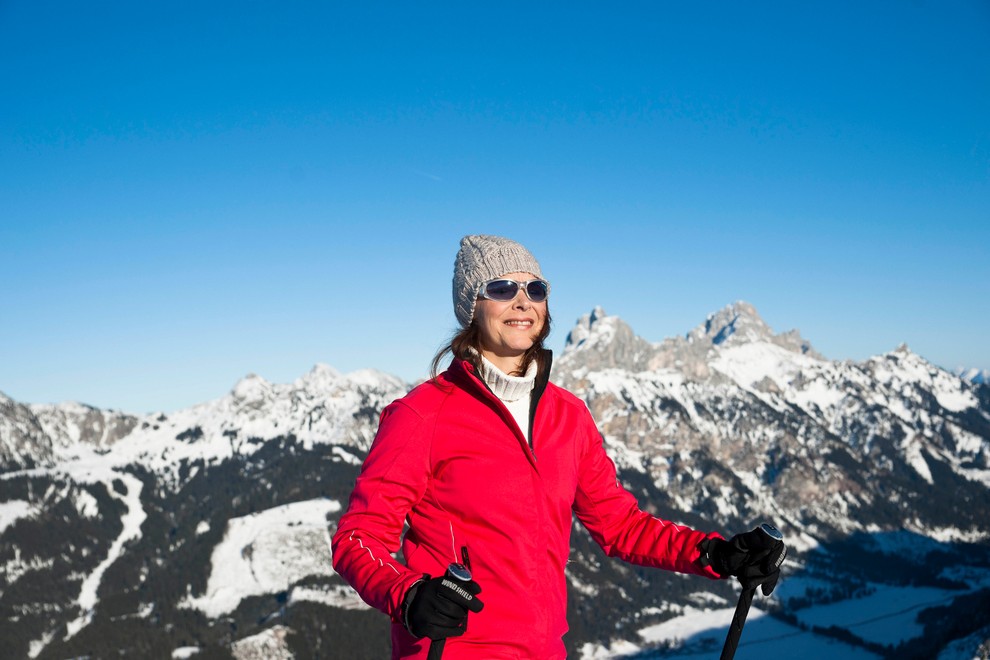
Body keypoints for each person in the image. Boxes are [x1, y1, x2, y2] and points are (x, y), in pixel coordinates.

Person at [331, 235, 785, 659]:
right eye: (502, 287)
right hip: (452, 648)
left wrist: (715, 553)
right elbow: (357, 538)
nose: (522, 301)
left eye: (536, 289)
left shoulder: (569, 416)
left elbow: (619, 525)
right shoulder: (423, 415)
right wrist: (408, 594)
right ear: (471, 307)